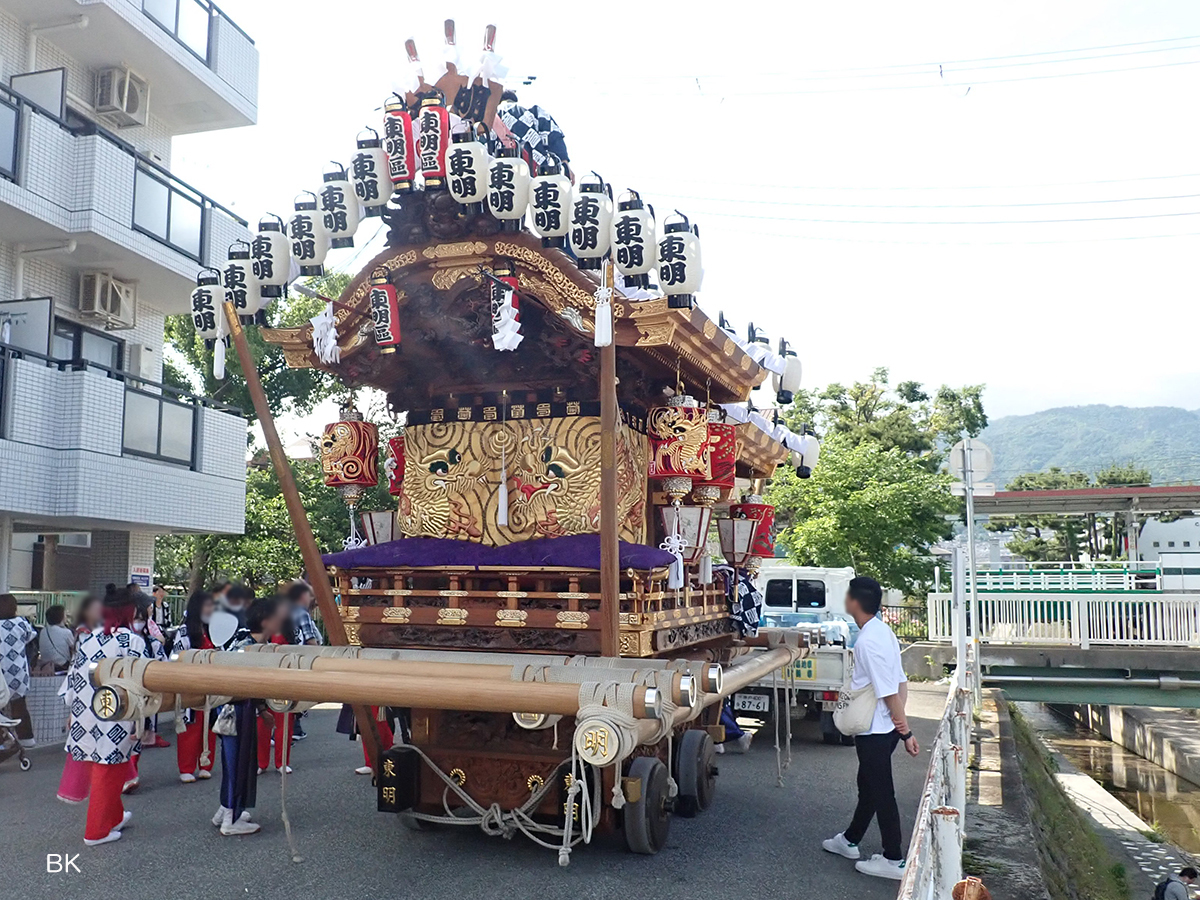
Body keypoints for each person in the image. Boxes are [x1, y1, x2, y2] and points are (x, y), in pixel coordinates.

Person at [822, 576, 919, 881]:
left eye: (847, 595)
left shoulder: (867, 641)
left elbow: (887, 690)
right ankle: (850, 840)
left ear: (854, 601)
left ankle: (893, 858)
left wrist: (905, 730)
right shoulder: (882, 631)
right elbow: (900, 681)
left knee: (880, 791)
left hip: (875, 730)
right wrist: (898, 726)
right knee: (869, 786)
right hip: (883, 729)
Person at [61, 588, 147, 845]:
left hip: (85, 712)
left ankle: (114, 816)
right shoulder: (132, 642)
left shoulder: (88, 639)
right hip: (116, 713)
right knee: (109, 768)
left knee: (104, 765)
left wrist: (72, 711)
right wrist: (143, 718)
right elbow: (142, 683)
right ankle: (96, 831)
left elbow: (73, 680)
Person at [213, 594, 287, 836]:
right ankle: (230, 819)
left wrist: (263, 709)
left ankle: (226, 808)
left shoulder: (248, 642)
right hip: (235, 709)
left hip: (240, 707)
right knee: (238, 763)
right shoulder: (245, 647)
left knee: (235, 763)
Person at [173, 591, 219, 783]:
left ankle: (205, 763)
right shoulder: (183, 632)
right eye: (208, 606)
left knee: (209, 727)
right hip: (190, 686)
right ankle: (186, 767)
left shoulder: (213, 631)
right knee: (189, 729)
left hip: (211, 687)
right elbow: (176, 658)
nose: (211, 610)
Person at [0, 594, 37, 748]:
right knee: (19, 706)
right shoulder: (22, 623)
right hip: (19, 672)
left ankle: (3, 741)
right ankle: (26, 738)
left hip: (1, 673)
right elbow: (30, 637)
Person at [286, 582, 321, 740]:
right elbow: (310, 639)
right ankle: (294, 728)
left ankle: (292, 728)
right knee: (297, 694)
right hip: (300, 658)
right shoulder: (301, 613)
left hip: (285, 656)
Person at [38, 604, 75, 672]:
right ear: (61, 617)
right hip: (62, 666)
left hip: (45, 667)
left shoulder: (43, 631)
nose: (66, 618)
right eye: (65, 615)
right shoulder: (66, 632)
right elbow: (74, 648)